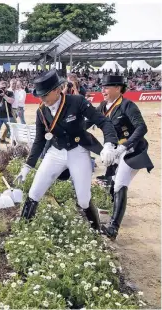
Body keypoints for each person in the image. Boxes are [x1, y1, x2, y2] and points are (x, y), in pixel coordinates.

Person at [14, 69, 118, 230]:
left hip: (78, 151)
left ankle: (97, 232)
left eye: (44, 95)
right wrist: (27, 166)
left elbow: (103, 122)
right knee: (34, 192)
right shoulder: (41, 111)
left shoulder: (77, 101)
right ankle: (22, 228)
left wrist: (109, 144)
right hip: (55, 152)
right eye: (39, 96)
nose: (42, 99)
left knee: (83, 200)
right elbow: (39, 141)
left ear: (57, 90)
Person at [87, 75, 154, 240]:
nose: (103, 90)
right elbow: (87, 123)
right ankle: (111, 213)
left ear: (118, 88)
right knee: (110, 184)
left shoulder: (127, 105)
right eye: (102, 87)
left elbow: (142, 128)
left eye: (107, 87)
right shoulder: (103, 106)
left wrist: (125, 146)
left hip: (132, 151)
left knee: (119, 184)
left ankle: (113, 229)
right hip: (114, 152)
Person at [0, 80, 15, 148]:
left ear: (6, 87)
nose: (3, 89)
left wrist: (4, 95)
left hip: (8, 116)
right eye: (1, 87)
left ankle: (14, 146)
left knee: (12, 131)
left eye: (4, 87)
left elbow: (11, 101)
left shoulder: (10, 93)